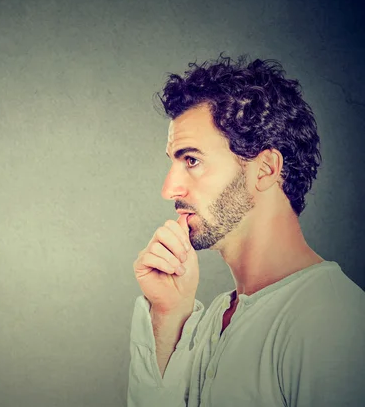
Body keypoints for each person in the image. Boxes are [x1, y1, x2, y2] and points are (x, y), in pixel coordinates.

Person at [127, 55, 365, 407]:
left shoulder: (333, 322)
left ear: (266, 169)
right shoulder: (215, 319)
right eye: (173, 161)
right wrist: (168, 315)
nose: (169, 189)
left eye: (191, 160)